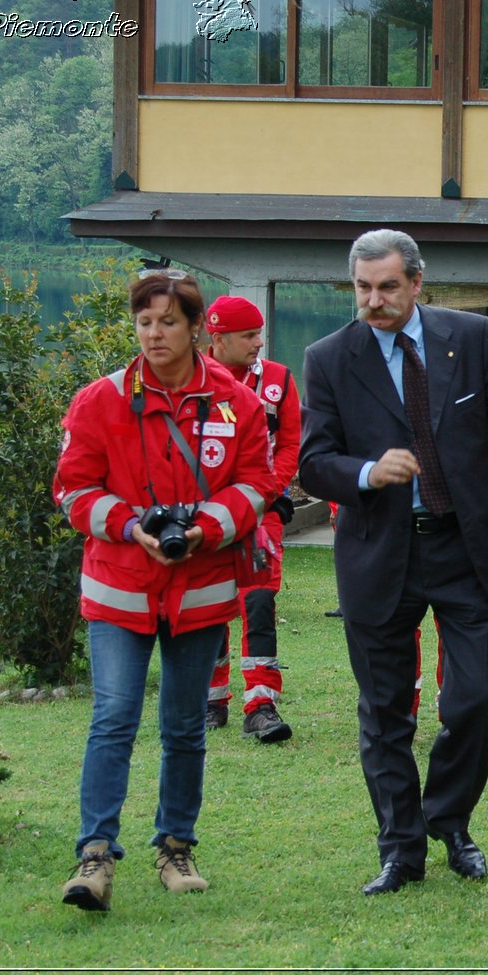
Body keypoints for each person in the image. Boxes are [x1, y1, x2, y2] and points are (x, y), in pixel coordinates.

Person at [298, 229, 488, 896]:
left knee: (476, 698)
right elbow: (312, 463)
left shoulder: (470, 339)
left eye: (386, 287)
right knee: (384, 714)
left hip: (464, 548)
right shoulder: (328, 358)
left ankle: (449, 820)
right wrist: (369, 471)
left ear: (416, 283)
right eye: (362, 288)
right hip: (380, 553)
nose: (373, 301)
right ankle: (400, 851)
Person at [53, 269, 274, 912]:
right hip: (120, 590)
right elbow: (71, 490)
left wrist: (206, 528)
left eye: (167, 322)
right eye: (144, 322)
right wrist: (128, 524)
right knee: (113, 719)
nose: (154, 333)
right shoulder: (98, 400)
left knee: (183, 727)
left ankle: (176, 847)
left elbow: (258, 482)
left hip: (200, 589)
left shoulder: (237, 402)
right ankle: (94, 857)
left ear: (195, 327)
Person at [203, 296, 300, 743]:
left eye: (260, 333)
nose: (259, 343)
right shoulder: (191, 382)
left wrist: (261, 497)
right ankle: (210, 700)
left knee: (258, 603)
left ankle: (261, 704)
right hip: (205, 520)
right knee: (209, 607)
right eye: (248, 336)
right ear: (217, 339)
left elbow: (290, 447)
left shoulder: (278, 380)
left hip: (262, 517)